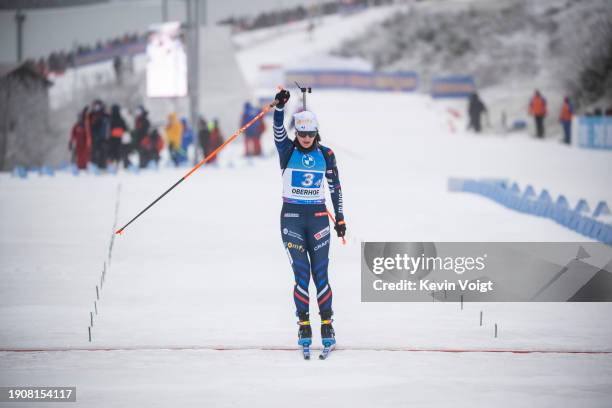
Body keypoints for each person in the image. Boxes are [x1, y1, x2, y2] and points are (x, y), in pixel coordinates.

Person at [272, 88, 346, 353]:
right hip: (291, 219)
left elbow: (335, 187)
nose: (305, 138)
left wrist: (340, 218)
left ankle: (327, 324)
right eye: (301, 133)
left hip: (317, 220)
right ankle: (304, 323)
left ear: (316, 133)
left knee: (321, 275)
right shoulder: (287, 150)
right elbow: (278, 130)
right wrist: (279, 108)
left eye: (310, 134)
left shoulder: (326, 155)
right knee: (302, 275)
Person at [89, 99, 110, 168]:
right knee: (94, 152)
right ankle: (94, 166)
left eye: (98, 105)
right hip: (94, 137)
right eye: (96, 106)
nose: (97, 107)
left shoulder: (105, 115)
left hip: (103, 137)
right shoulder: (91, 115)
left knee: (103, 151)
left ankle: (103, 166)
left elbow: (109, 124)